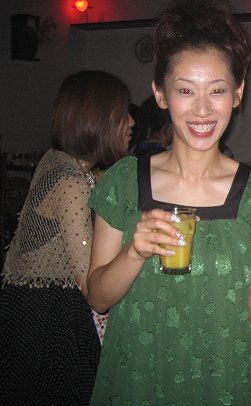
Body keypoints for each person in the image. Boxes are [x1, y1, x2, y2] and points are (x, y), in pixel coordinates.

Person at [85, 1, 251, 404]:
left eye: (217, 90)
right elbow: (98, 297)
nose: (201, 109)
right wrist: (134, 252)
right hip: (139, 381)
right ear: (160, 94)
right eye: (185, 90)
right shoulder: (125, 180)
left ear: (238, 93)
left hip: (227, 383)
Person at [0, 70, 133, 405]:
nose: (131, 122)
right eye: (122, 114)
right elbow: (91, 287)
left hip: (24, 303)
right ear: (98, 121)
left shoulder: (59, 160)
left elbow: (96, 181)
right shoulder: (70, 182)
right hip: (47, 315)